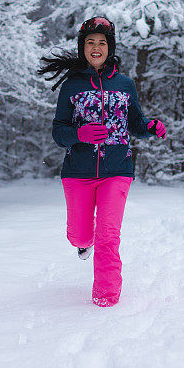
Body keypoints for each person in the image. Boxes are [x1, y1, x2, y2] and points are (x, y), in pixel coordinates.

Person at [38, 16, 167, 307]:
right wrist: (80, 133)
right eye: (90, 42)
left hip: (117, 169)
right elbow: (59, 132)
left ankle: (106, 298)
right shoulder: (71, 86)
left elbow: (134, 122)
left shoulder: (124, 84)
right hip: (78, 171)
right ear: (82, 47)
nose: (96, 48)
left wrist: (149, 127)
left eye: (102, 43)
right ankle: (83, 243)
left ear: (111, 48)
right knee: (81, 235)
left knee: (108, 236)